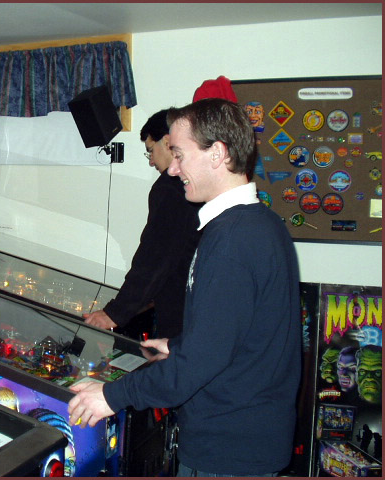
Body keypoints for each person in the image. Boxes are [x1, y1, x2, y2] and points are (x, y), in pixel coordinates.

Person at [68, 95, 301, 477]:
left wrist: (111, 396)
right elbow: (236, 334)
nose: (173, 170)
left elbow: (197, 366)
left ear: (217, 154)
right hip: (245, 436)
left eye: (179, 155)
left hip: (229, 449)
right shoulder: (259, 223)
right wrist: (178, 346)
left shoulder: (233, 241)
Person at [83, 109, 201, 340]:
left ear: (167, 142)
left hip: (182, 311)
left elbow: (155, 256)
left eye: (150, 151)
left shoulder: (170, 187)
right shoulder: (195, 183)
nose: (151, 161)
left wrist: (115, 313)